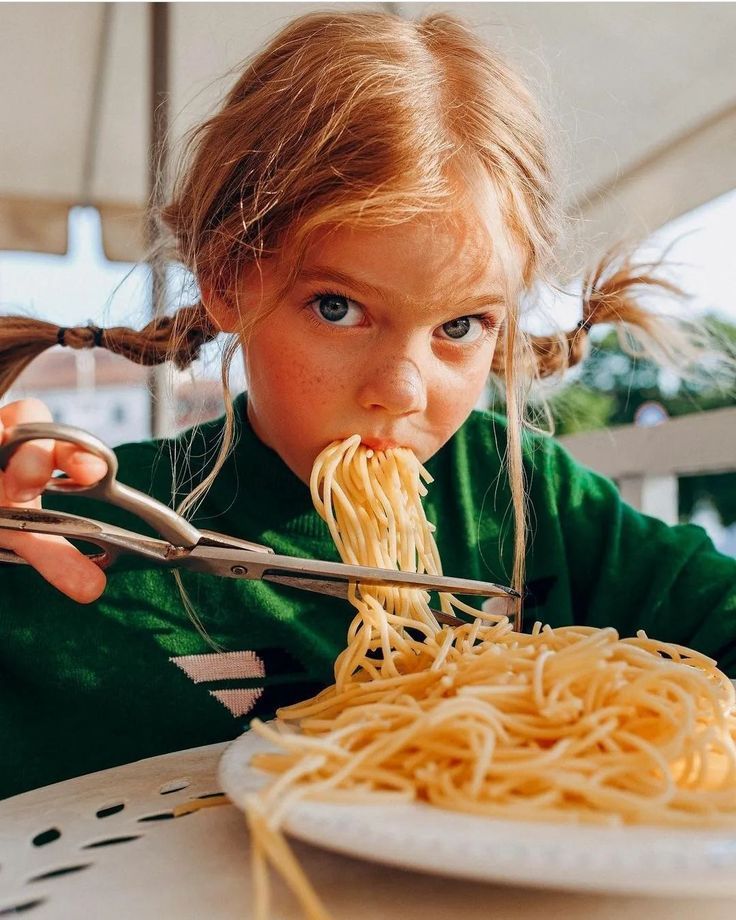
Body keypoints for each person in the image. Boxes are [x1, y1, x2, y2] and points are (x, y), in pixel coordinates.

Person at [0, 10, 734, 801]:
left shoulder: (523, 499)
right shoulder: (69, 532)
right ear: (226, 281)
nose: (403, 390)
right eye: (338, 308)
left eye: (460, 325)